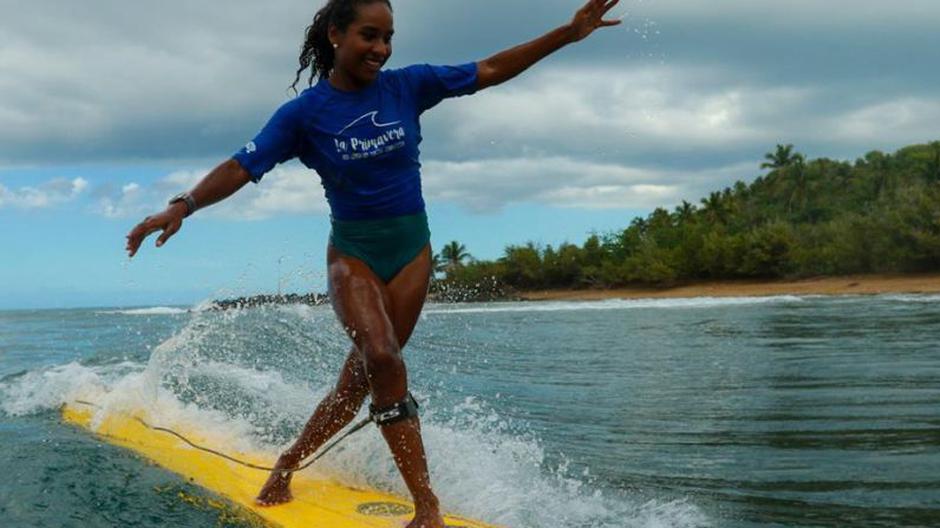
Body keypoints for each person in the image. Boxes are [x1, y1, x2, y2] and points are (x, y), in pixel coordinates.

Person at [125, 0, 620, 526]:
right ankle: (426, 505)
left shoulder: (409, 86)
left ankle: (290, 459)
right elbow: (242, 165)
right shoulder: (304, 114)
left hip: (412, 249)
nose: (381, 49)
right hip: (354, 253)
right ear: (336, 35)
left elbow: (491, 69)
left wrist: (567, 35)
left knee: (360, 380)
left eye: (388, 37)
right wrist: (183, 206)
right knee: (383, 356)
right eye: (369, 35)